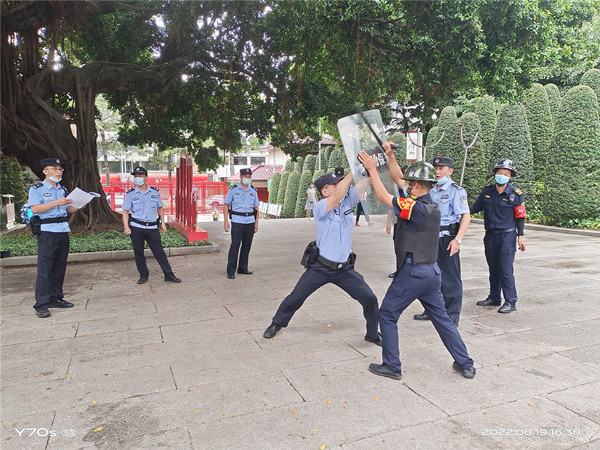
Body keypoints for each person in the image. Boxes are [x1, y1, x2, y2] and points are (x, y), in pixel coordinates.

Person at [357, 147, 475, 380]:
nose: (408, 186)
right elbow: (397, 178)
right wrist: (390, 156)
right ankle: (465, 362)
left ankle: (391, 365)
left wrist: (372, 170)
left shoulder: (416, 207)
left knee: (388, 314)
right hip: (431, 273)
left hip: (413, 273)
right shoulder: (429, 205)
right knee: (442, 319)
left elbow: (382, 197)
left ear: (420, 185)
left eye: (411, 183)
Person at [263, 170, 381, 346]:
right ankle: (277, 323)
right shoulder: (321, 206)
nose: (341, 187)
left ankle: (372, 334)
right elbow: (339, 194)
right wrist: (351, 173)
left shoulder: (348, 203)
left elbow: (364, 182)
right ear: (325, 191)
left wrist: (374, 164)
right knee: (296, 297)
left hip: (345, 269)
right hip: (320, 268)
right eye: (336, 185)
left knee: (370, 298)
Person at [413, 156, 471, 326]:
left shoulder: (456, 190)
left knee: (450, 278)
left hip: (447, 238)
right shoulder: (429, 189)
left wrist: (457, 240)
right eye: (435, 168)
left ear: (450, 171)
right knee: (429, 276)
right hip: (428, 238)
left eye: (441, 168)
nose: (437, 171)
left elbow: (465, 216)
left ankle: (452, 315)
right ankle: (430, 310)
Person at [470, 159, 526, 314]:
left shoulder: (516, 195)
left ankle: (511, 301)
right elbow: (475, 207)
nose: (502, 176)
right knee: (493, 268)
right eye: (499, 173)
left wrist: (520, 236)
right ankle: (494, 297)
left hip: (507, 236)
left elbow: (520, 216)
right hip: (490, 236)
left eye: (506, 174)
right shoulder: (487, 192)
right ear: (494, 174)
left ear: (510, 177)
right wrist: (460, 209)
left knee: (505, 269)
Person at [28, 158, 80, 318]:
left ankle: (56, 298)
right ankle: (41, 304)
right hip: (47, 231)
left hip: (62, 230)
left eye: (60, 169)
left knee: (59, 267)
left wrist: (78, 205)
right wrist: (56, 202)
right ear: (45, 171)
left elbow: (67, 210)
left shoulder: (62, 189)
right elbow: (35, 209)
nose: (59, 172)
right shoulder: (36, 189)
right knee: (45, 269)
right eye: (55, 169)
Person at [122, 166, 181, 284]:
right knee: (138, 252)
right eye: (136, 176)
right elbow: (125, 211)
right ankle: (143, 274)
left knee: (159, 251)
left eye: (140, 176)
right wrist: (126, 227)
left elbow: (160, 208)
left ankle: (168, 274)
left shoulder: (154, 192)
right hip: (137, 227)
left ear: (146, 178)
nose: (138, 178)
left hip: (152, 227)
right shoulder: (130, 194)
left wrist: (162, 223)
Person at [224, 168, 259, 279]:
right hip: (237, 220)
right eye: (246, 176)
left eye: (249, 176)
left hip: (250, 221)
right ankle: (231, 270)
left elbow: (256, 208)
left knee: (247, 245)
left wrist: (256, 224)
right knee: (235, 245)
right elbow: (226, 205)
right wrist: (225, 222)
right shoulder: (233, 190)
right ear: (241, 176)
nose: (248, 178)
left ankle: (243, 268)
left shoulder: (253, 191)